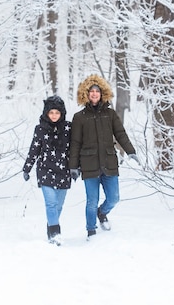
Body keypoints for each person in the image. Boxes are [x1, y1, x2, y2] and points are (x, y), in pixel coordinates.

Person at [69, 74, 139, 239]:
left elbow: (120, 134)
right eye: (91, 91)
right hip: (89, 164)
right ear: (86, 94)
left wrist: (131, 151)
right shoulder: (79, 118)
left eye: (97, 91)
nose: (94, 94)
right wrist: (73, 166)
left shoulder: (110, 114)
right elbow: (75, 143)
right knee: (91, 201)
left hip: (109, 162)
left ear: (102, 94)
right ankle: (91, 231)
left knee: (114, 198)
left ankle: (103, 212)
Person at [22, 95, 77, 246]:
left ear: (62, 113)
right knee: (51, 204)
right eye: (51, 112)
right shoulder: (40, 129)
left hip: (64, 171)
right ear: (46, 113)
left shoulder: (68, 128)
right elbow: (34, 149)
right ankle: (55, 234)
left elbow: (75, 149)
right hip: (45, 170)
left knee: (58, 206)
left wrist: (75, 168)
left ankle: (51, 225)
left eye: (57, 113)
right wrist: (27, 168)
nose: (54, 116)